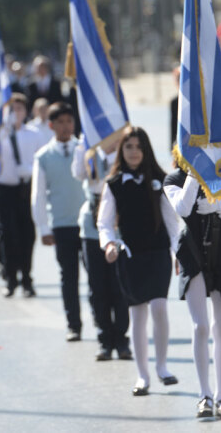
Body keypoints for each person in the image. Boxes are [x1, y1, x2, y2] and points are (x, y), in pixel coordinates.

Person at [97, 127, 179, 397]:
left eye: (138, 146)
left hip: (157, 254)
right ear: (122, 150)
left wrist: (180, 253)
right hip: (129, 257)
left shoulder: (160, 179)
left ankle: (163, 366)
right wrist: (108, 243)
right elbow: (104, 223)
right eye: (128, 146)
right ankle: (142, 375)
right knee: (138, 315)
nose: (134, 151)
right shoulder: (114, 184)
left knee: (159, 307)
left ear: (146, 150)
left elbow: (171, 222)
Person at [165, 168, 221, 420]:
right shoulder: (174, 179)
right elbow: (182, 208)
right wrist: (192, 176)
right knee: (200, 326)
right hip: (192, 253)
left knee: (220, 327)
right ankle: (204, 394)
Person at [71, 134, 131, 362]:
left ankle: (122, 340)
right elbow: (78, 173)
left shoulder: (123, 138)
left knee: (120, 285)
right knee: (97, 287)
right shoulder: (87, 143)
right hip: (91, 223)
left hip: (119, 220)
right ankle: (104, 340)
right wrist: (86, 145)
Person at [31, 102, 87, 342]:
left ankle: (102, 321)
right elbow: (39, 194)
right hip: (62, 224)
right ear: (51, 126)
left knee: (96, 277)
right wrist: (43, 227)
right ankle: (73, 324)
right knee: (69, 277)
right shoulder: (43, 156)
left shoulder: (85, 149)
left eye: (69, 122)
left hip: (89, 224)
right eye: (61, 122)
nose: (66, 127)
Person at [0, 93, 43, 298]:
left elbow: (40, 161)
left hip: (26, 189)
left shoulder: (34, 134)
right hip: (5, 189)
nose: (16, 113)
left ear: (26, 111)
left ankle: (27, 279)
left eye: (20, 109)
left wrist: (28, 169)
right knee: (8, 234)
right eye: (12, 109)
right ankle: (10, 279)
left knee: (27, 235)